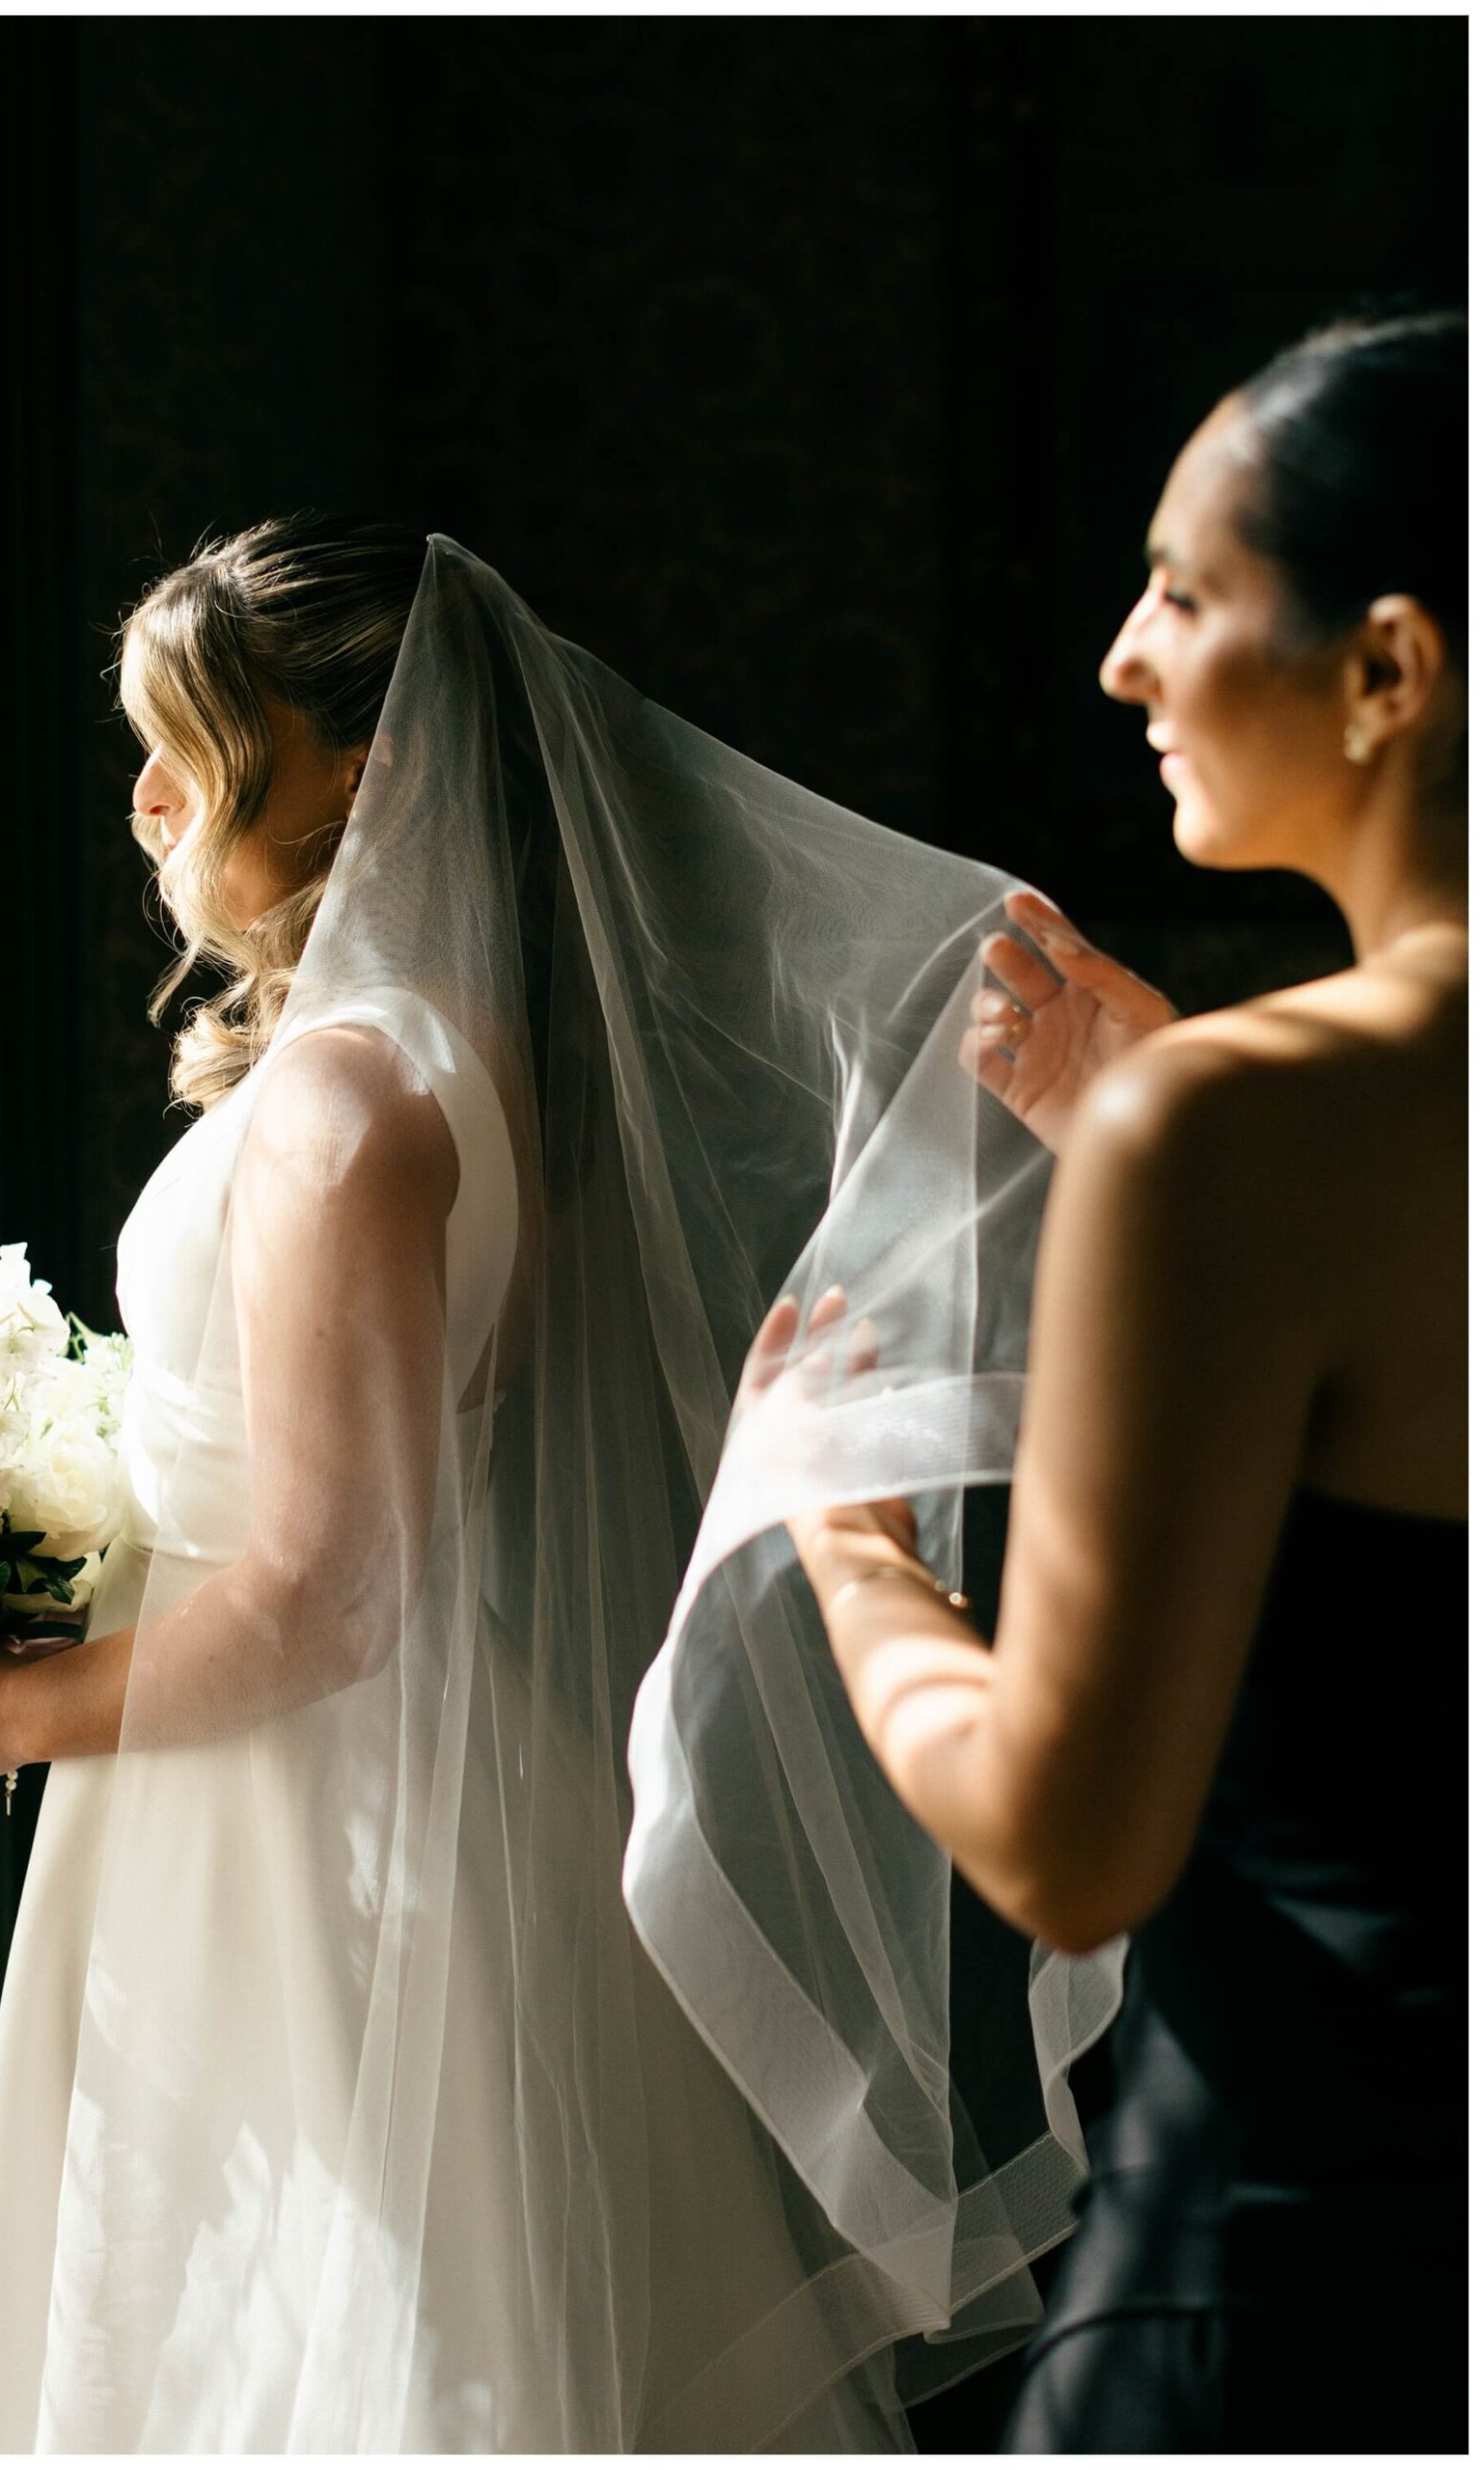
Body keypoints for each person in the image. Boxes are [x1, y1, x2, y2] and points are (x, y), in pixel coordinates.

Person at [0, 520, 1108, 2449]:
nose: (146, 792)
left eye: (191, 738)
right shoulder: (466, 1061)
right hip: (388, 1790)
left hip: (297, 1835)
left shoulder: (344, 1105)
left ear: (358, 765)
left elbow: (326, 1597)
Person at [752, 311, 1466, 2451]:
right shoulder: (1247, 1130)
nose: (1120, 660)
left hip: (1294, 2280)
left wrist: (848, 1535)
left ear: (1386, 669)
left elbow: (1065, 1844)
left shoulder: (1242, 1136)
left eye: (1179, 586)